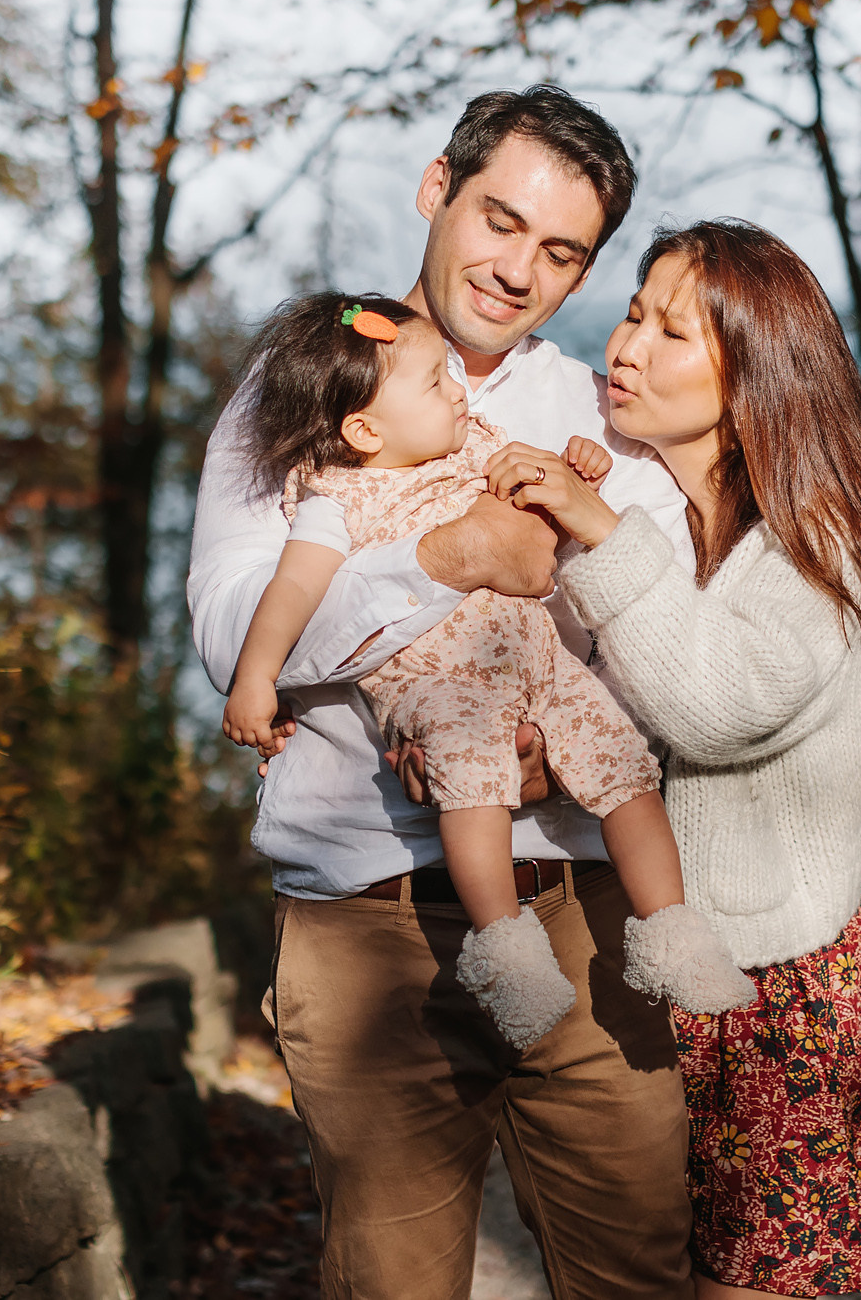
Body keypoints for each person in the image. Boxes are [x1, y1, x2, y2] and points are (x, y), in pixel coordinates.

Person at [186, 87, 698, 1299]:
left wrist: (556, 749)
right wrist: (439, 558)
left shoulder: (597, 414)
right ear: (436, 190)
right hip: (369, 927)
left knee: (637, 1276)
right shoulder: (302, 381)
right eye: (499, 221)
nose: (517, 270)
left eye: (560, 252)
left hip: (582, 910)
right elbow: (230, 632)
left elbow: (670, 634)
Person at [491, 219, 861, 1300]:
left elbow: (716, 707)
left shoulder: (824, 538)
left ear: (754, 376)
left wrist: (596, 530)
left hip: (776, 986)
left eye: (671, 331)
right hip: (641, 967)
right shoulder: (660, 518)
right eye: (631, 313)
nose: (626, 347)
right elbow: (632, 721)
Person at [214, 289, 750, 1045]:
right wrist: (254, 680)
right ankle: (505, 952)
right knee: (472, 785)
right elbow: (292, 592)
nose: (458, 391)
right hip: (439, 685)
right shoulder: (339, 497)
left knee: (626, 771)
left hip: (541, 662)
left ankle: (673, 933)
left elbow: (545, 502)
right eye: (435, 383)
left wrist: (578, 470)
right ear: (365, 429)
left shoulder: (478, 446)